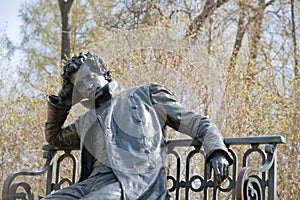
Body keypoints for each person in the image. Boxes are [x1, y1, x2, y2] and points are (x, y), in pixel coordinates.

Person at [43, 52, 233, 200]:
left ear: (102, 71)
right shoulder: (86, 120)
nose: (88, 86)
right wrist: (63, 102)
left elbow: (198, 123)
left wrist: (216, 150)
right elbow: (54, 138)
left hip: (133, 181)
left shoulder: (146, 96)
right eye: (82, 86)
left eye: (90, 77)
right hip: (91, 183)